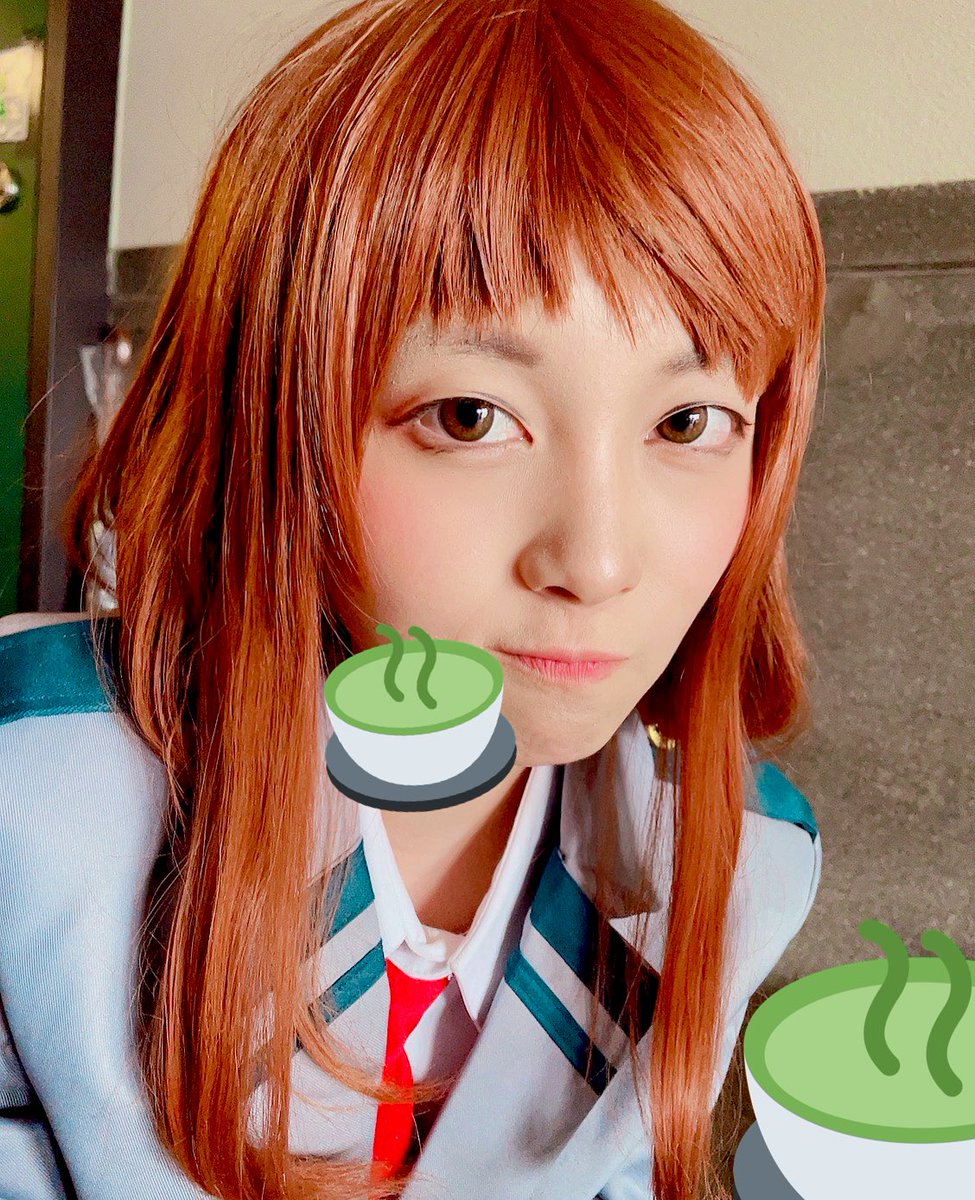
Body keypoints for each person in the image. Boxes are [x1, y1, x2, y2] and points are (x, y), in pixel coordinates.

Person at [0, 0, 827, 1197]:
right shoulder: (35, 804)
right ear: (271, 419)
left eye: (688, 422)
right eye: (469, 416)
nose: (596, 563)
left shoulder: (742, 858)